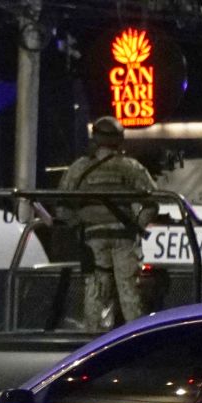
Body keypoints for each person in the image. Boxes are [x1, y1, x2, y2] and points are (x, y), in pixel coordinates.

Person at [58, 115, 159, 331]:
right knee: (129, 291)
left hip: (93, 237)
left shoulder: (79, 169)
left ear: (95, 138)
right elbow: (153, 202)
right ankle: (137, 339)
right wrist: (136, 227)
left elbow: (62, 206)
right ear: (120, 139)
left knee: (95, 289)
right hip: (124, 237)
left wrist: (79, 226)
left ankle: (93, 340)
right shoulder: (131, 167)